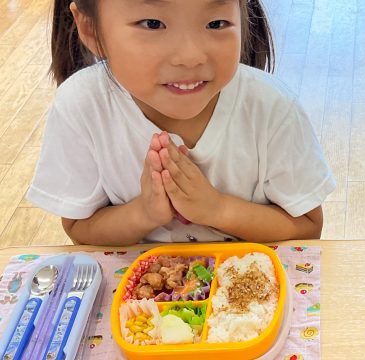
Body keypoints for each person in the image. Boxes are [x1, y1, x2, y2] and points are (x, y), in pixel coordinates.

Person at [27, 0, 335, 245]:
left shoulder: (272, 108)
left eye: (216, 23)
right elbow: (80, 227)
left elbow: (306, 227)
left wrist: (218, 209)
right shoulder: (81, 106)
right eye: (152, 24)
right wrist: (143, 213)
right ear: (91, 29)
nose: (190, 56)